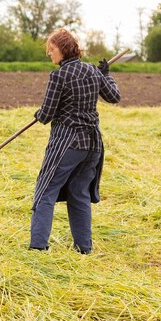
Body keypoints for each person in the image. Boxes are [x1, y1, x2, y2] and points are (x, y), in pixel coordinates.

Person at [29, 28, 120, 254]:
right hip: (92, 144)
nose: (50, 54)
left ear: (63, 49)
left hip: (67, 143)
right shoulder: (92, 71)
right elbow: (114, 96)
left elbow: (48, 113)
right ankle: (84, 249)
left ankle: (38, 248)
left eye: (52, 50)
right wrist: (105, 75)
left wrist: (38, 114)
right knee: (79, 194)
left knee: (45, 190)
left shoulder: (59, 76)